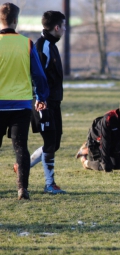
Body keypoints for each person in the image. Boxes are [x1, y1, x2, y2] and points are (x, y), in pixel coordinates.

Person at [0, 3, 49, 200]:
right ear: (16, 21)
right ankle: (22, 188)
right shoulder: (26, 44)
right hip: (20, 105)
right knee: (20, 146)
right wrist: (41, 97)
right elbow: (38, 74)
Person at [29, 11, 66, 194]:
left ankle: (23, 167)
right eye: (64, 26)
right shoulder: (42, 46)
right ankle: (49, 184)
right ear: (57, 27)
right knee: (50, 141)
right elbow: (36, 75)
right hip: (44, 102)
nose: (65, 30)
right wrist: (39, 99)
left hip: (53, 101)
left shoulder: (50, 45)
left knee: (55, 142)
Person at [76, 96, 120, 172]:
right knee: (103, 166)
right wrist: (106, 165)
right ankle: (85, 159)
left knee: (117, 166)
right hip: (97, 141)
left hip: (114, 140)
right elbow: (104, 143)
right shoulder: (109, 119)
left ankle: (87, 150)